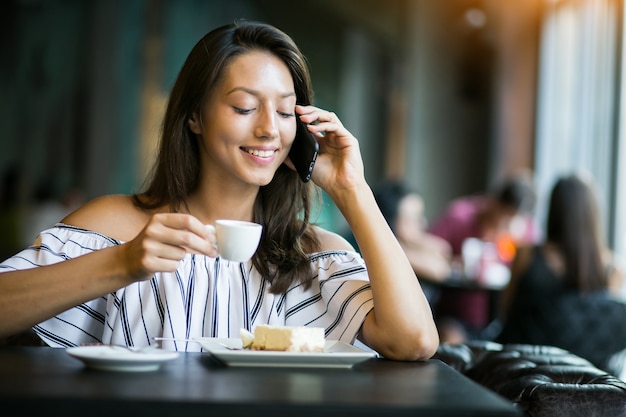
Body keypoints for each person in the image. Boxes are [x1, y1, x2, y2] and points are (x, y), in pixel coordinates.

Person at [0, 20, 438, 360]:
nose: (269, 129)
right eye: (245, 107)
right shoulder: (117, 226)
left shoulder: (310, 253)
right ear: (194, 117)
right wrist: (122, 263)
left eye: (285, 111)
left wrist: (352, 189)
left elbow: (415, 341)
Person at [495, 173, 626, 373]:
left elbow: (505, 310)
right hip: (582, 380)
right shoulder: (612, 269)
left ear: (553, 211)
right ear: (592, 216)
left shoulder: (527, 255)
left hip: (522, 369)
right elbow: (604, 335)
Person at [428, 172, 539, 342]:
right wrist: (452, 263)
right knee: (450, 338)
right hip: (457, 316)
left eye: (514, 220)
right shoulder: (460, 216)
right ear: (494, 202)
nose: (507, 226)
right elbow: (428, 248)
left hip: (503, 321)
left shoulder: (527, 233)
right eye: (504, 217)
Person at [373, 179, 452, 291]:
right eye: (415, 218)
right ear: (392, 221)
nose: (422, 223)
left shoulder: (405, 245)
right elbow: (439, 271)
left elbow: (443, 249)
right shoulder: (391, 250)